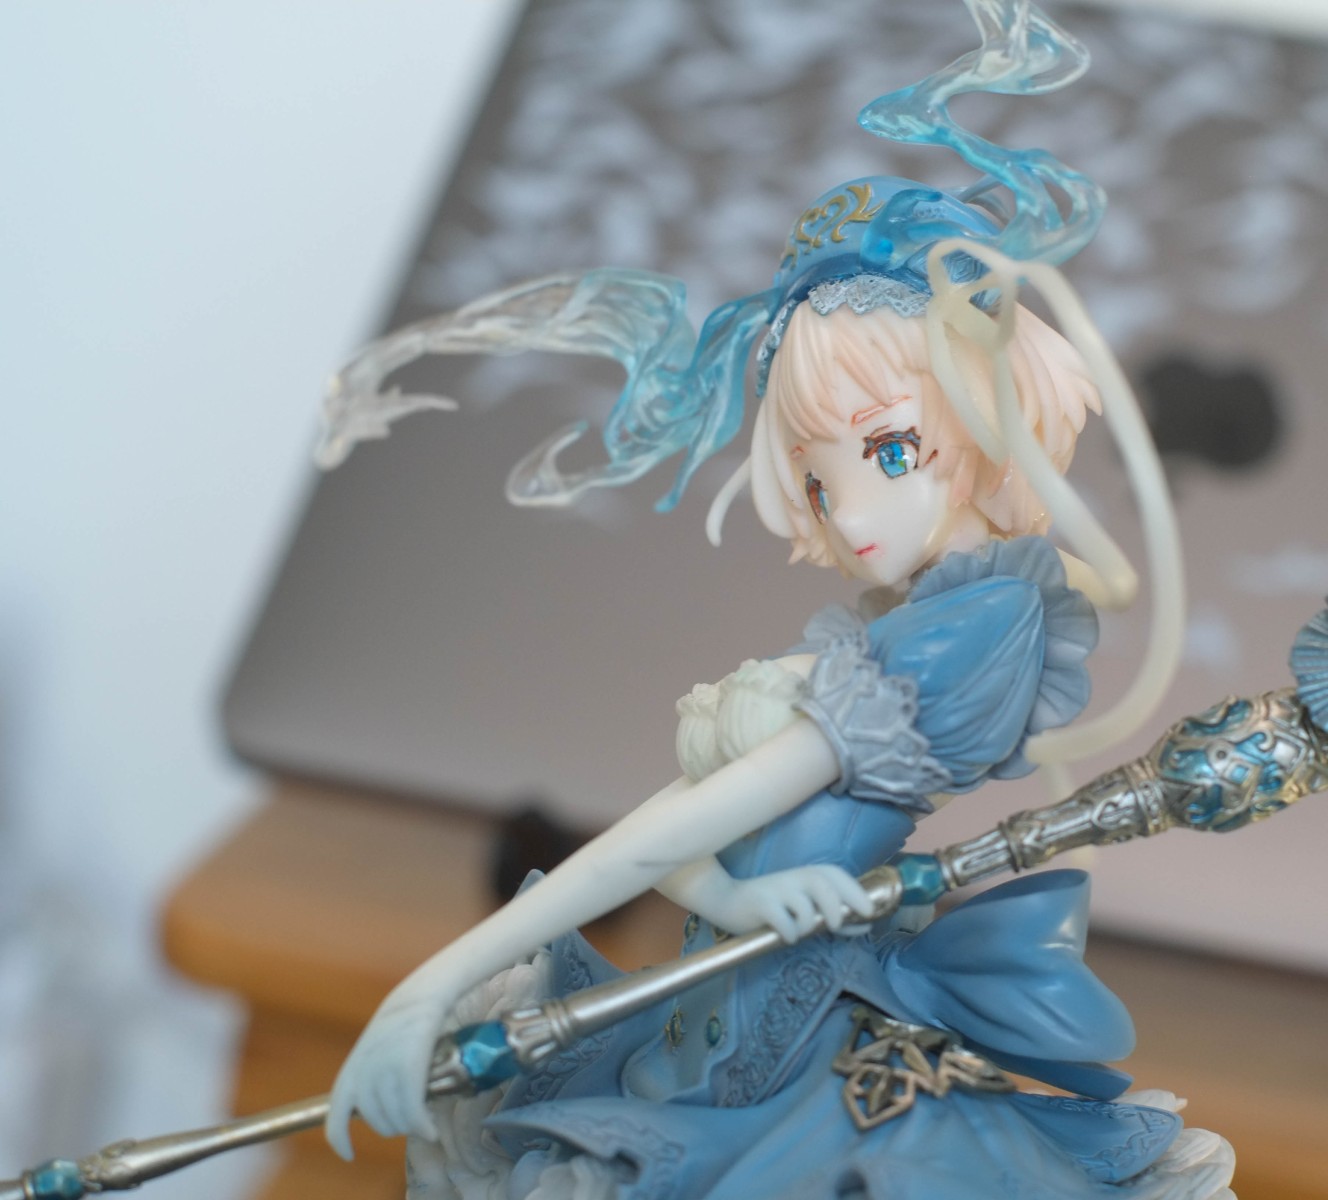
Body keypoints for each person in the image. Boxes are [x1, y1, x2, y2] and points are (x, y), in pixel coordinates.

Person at [313, 4, 1226, 1196]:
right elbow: (688, 830)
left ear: (985, 418)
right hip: (716, 1023)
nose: (851, 515)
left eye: (890, 451)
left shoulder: (980, 629)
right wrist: (731, 891)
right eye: (819, 478)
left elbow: (682, 823)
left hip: (790, 1045)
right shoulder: (896, 626)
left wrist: (431, 981)